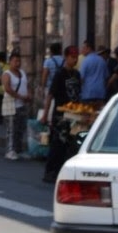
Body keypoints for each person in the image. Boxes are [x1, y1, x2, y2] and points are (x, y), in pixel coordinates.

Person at [42, 49, 82, 183]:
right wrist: (45, 114)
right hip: (60, 115)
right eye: (72, 57)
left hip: (74, 115)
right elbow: (50, 95)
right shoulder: (60, 74)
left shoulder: (77, 74)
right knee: (57, 144)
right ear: (66, 57)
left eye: (76, 57)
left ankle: (62, 171)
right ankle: (50, 171)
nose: (75, 60)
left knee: (70, 145)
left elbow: (78, 93)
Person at [1, 52, 31, 161]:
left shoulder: (22, 73)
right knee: (11, 129)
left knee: (20, 128)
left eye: (19, 61)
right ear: (10, 62)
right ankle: (10, 150)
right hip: (11, 105)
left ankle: (18, 149)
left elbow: (27, 85)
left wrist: (29, 95)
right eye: (15, 61)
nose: (18, 63)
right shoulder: (7, 74)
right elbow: (7, 88)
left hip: (21, 105)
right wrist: (20, 97)